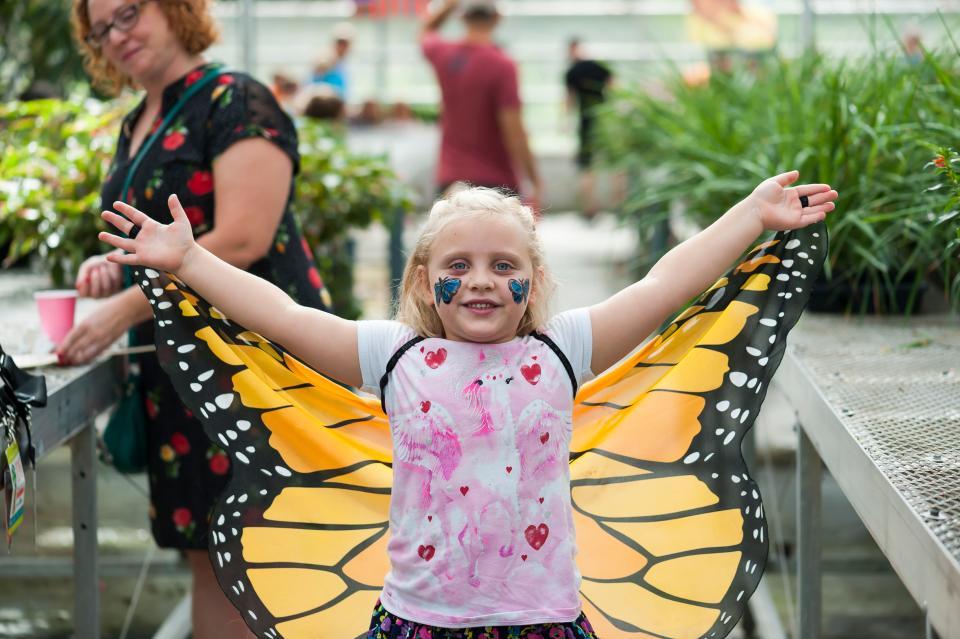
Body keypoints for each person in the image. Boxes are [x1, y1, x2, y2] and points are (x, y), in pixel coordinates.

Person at [96, 171, 837, 636]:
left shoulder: (561, 349)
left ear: (532, 280)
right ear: (425, 281)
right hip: (419, 619)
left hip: (541, 620)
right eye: (459, 265)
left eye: (502, 266)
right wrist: (191, 260)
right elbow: (285, 319)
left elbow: (663, 288)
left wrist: (750, 215)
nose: (481, 281)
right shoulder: (395, 356)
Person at [66, 0, 330, 636]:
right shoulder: (138, 122)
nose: (116, 36)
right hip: (181, 373)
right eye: (101, 30)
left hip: (253, 364)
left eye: (127, 13)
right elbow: (156, 241)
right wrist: (114, 271)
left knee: (266, 553)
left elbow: (244, 235)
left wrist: (122, 308)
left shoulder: (234, 100)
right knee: (210, 553)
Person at [420, 0, 542, 207]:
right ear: (497, 18)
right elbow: (514, 131)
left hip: (451, 180)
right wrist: (534, 180)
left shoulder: (444, 54)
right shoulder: (503, 65)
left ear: (461, 17)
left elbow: (426, 31)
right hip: (496, 184)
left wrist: (449, 4)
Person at [564, 38, 613, 219]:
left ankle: (589, 207)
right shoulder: (600, 67)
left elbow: (569, 99)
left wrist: (565, 122)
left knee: (587, 166)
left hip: (586, 122)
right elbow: (614, 88)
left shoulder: (572, 72)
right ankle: (620, 204)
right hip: (606, 119)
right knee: (614, 163)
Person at [310, 21, 355, 99]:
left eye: (345, 44)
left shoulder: (342, 62)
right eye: (340, 43)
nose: (343, 47)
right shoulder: (326, 58)